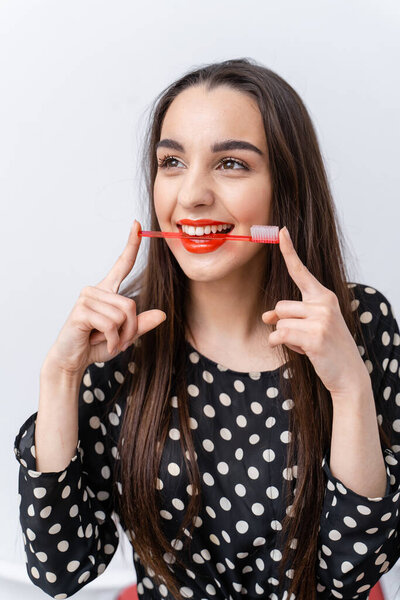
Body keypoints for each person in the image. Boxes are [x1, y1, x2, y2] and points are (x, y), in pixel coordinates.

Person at [14, 58, 400, 600]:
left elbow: (353, 576)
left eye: (231, 165)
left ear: (285, 189)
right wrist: (59, 378)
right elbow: (60, 571)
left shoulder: (359, 326)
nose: (191, 194)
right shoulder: (118, 343)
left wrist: (350, 388)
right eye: (172, 161)